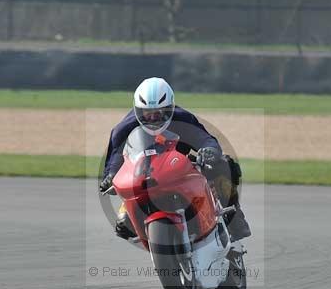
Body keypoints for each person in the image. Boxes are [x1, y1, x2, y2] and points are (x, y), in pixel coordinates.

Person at [99, 77, 251, 241]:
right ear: (137, 110)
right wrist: (110, 176)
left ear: (170, 108)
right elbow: (114, 158)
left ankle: (234, 217)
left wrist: (210, 151)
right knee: (123, 226)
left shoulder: (183, 119)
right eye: (147, 114)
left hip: (180, 167)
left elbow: (205, 139)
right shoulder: (123, 129)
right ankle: (130, 212)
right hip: (144, 176)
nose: (153, 119)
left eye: (159, 113)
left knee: (224, 164)